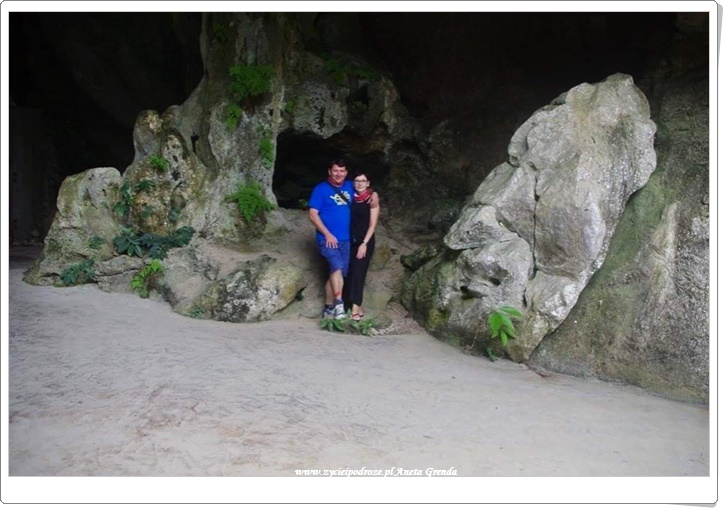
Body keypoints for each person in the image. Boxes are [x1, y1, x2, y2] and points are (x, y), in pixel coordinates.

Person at [344, 171, 380, 322]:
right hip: (350, 241)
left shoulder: (371, 200)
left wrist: (364, 244)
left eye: (363, 181)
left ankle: (355, 307)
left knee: (359, 273)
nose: (360, 183)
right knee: (350, 272)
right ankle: (351, 305)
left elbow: (372, 225)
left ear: (368, 183)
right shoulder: (350, 197)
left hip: (365, 242)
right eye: (357, 180)